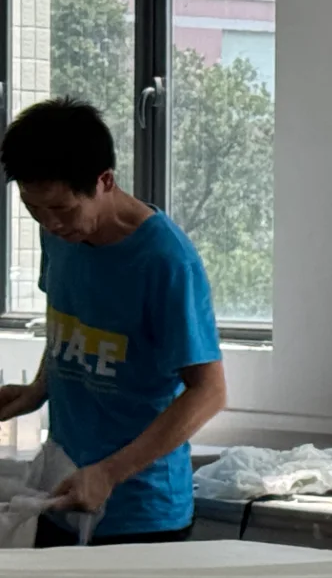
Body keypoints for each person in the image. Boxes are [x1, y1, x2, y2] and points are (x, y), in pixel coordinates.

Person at [0, 98, 225, 545]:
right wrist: (36, 391)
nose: (49, 223)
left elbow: (209, 392)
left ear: (105, 181)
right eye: (32, 207)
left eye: (61, 209)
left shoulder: (165, 260)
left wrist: (110, 472)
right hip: (61, 489)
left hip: (141, 511)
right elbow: (71, 323)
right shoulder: (61, 236)